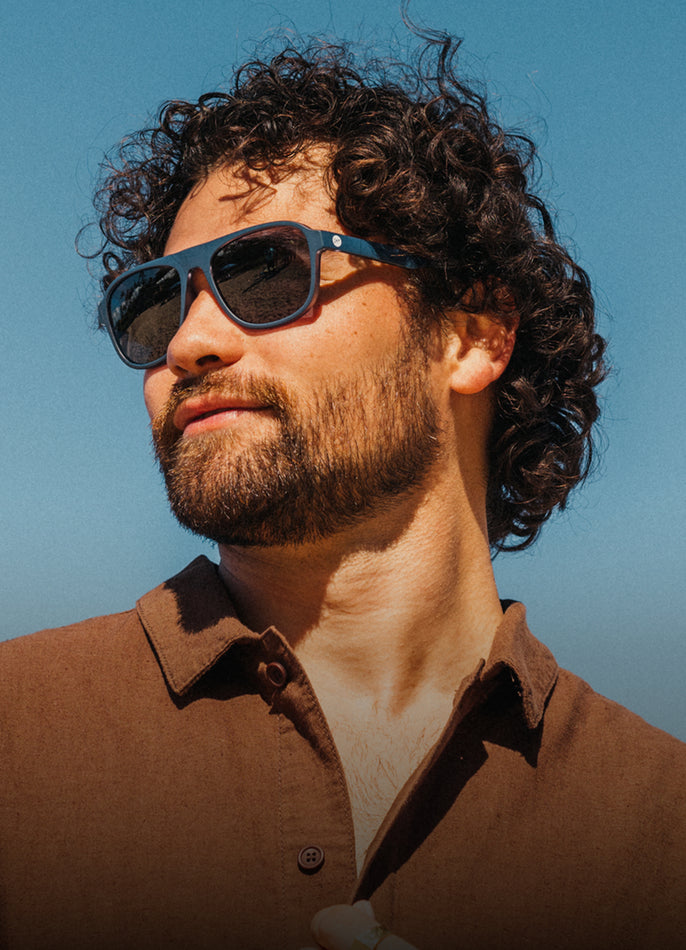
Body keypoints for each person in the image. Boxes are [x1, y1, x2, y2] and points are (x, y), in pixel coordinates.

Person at [2, 29, 685, 950]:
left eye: (267, 269)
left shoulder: (659, 833)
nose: (188, 342)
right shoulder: (19, 741)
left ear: (471, 336)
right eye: (156, 301)